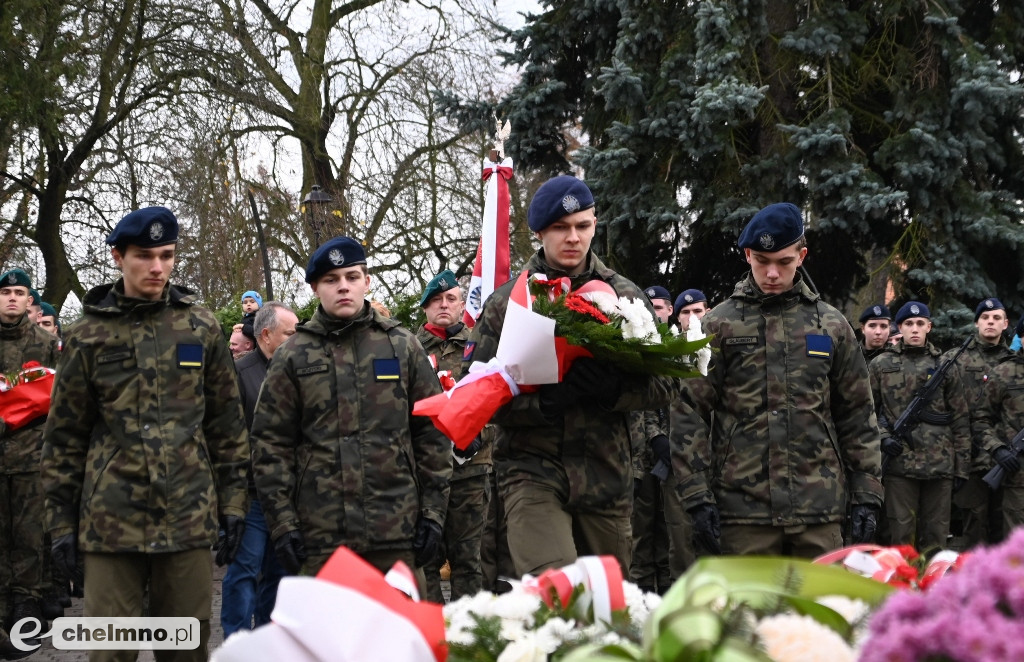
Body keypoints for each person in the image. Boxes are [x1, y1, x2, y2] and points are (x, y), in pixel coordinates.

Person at [41, 206, 250, 662]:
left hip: (188, 518)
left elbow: (227, 426)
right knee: (110, 654)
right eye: (144, 255)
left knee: (185, 651)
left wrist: (233, 504)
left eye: (167, 255)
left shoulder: (201, 327)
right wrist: (60, 525)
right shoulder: (88, 335)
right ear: (118, 256)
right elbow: (64, 438)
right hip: (111, 523)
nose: (158, 267)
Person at [464, 175, 679, 576]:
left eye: (583, 226)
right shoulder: (508, 303)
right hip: (532, 472)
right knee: (556, 592)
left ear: (595, 224)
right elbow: (474, 393)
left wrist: (614, 391)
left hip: (606, 476)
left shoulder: (626, 296)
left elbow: (667, 383)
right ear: (540, 232)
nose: (573, 238)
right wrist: (541, 403)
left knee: (605, 609)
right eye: (561, 228)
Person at [677, 202, 882, 557]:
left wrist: (867, 492)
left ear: (802, 256)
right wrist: (696, 495)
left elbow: (857, 413)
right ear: (746, 256)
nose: (772, 273)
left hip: (817, 507)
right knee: (748, 611)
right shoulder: (717, 326)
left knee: (821, 609)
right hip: (743, 509)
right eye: (762, 261)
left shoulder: (831, 325)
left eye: (784, 262)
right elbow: (688, 411)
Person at [251, 237, 451, 594]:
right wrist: (282, 522)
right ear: (315, 287)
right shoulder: (293, 355)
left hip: (396, 531)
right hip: (321, 537)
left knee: (399, 645)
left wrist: (434, 512)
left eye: (352, 276)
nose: (343, 286)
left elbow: (432, 431)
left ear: (366, 281)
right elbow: (270, 445)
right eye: (331, 279)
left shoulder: (402, 346)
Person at [221, 301, 298, 638]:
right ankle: (236, 647)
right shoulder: (238, 375)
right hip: (251, 497)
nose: (297, 340)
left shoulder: (299, 371)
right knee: (244, 575)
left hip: (289, 498)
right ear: (266, 335)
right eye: (290, 334)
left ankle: (269, 645)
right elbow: (227, 439)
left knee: (281, 578)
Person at [415, 269, 492, 602]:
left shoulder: (481, 345)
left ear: (462, 304)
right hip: (424, 472)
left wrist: (478, 430)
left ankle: (466, 641)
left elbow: (497, 393)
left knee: (468, 561)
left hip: (470, 470)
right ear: (425, 308)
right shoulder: (409, 348)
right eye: (435, 300)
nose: (443, 305)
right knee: (424, 559)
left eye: (450, 299)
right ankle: (430, 642)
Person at [868, 301, 970, 551]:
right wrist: (883, 437)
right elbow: (865, 411)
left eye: (920, 324)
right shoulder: (881, 364)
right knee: (900, 536)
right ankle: (901, 588)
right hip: (899, 465)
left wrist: (962, 468)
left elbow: (960, 418)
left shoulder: (946, 366)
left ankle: (934, 589)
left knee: (935, 537)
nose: (915, 329)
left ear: (929, 327)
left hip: (940, 466)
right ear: (900, 328)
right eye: (909, 324)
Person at [0, 268, 60, 657]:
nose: (11, 298)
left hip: (29, 455)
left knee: (28, 538)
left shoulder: (46, 344)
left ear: (29, 301)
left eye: (19, 292)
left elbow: (59, 399)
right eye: (5, 291)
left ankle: (24, 608)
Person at [953, 298, 1015, 546]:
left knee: (1004, 526)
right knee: (974, 526)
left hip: (1008, 458)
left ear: (1005, 324)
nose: (991, 322)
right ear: (977, 322)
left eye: (996, 318)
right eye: (986, 318)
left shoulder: (1014, 362)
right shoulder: (955, 360)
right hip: (970, 457)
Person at [629, 285, 674, 594]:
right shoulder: (638, 344)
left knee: (672, 536)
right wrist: (656, 437)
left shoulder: (681, 346)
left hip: (678, 458)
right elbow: (640, 402)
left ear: (669, 310)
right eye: (650, 307)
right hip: (644, 460)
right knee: (641, 538)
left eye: (660, 306)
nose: (655, 312)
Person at [972, 318, 1024, 537]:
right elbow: (980, 419)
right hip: (1018, 479)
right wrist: (998, 449)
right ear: (1021, 338)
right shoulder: (1003, 373)